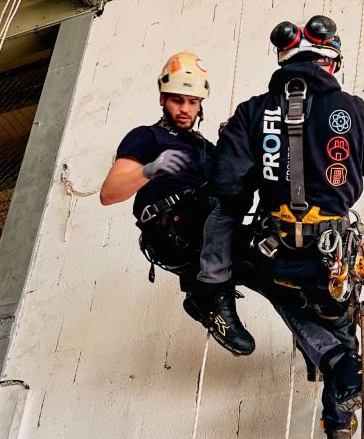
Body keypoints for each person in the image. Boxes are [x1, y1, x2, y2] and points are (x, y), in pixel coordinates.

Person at [186, 16, 364, 439]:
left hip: (274, 254)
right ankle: (339, 416)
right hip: (331, 257)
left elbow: (226, 184)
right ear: (331, 63)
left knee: (284, 294)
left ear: (284, 61)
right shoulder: (354, 110)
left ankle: (341, 392)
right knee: (338, 319)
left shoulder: (252, 112)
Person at [99, 51, 256, 356]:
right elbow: (109, 193)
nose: (185, 109)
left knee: (268, 266)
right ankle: (211, 296)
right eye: (177, 100)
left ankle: (325, 350)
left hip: (207, 234)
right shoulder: (148, 137)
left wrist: (233, 145)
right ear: (162, 99)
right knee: (231, 192)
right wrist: (151, 169)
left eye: (192, 102)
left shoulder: (203, 147)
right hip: (171, 231)